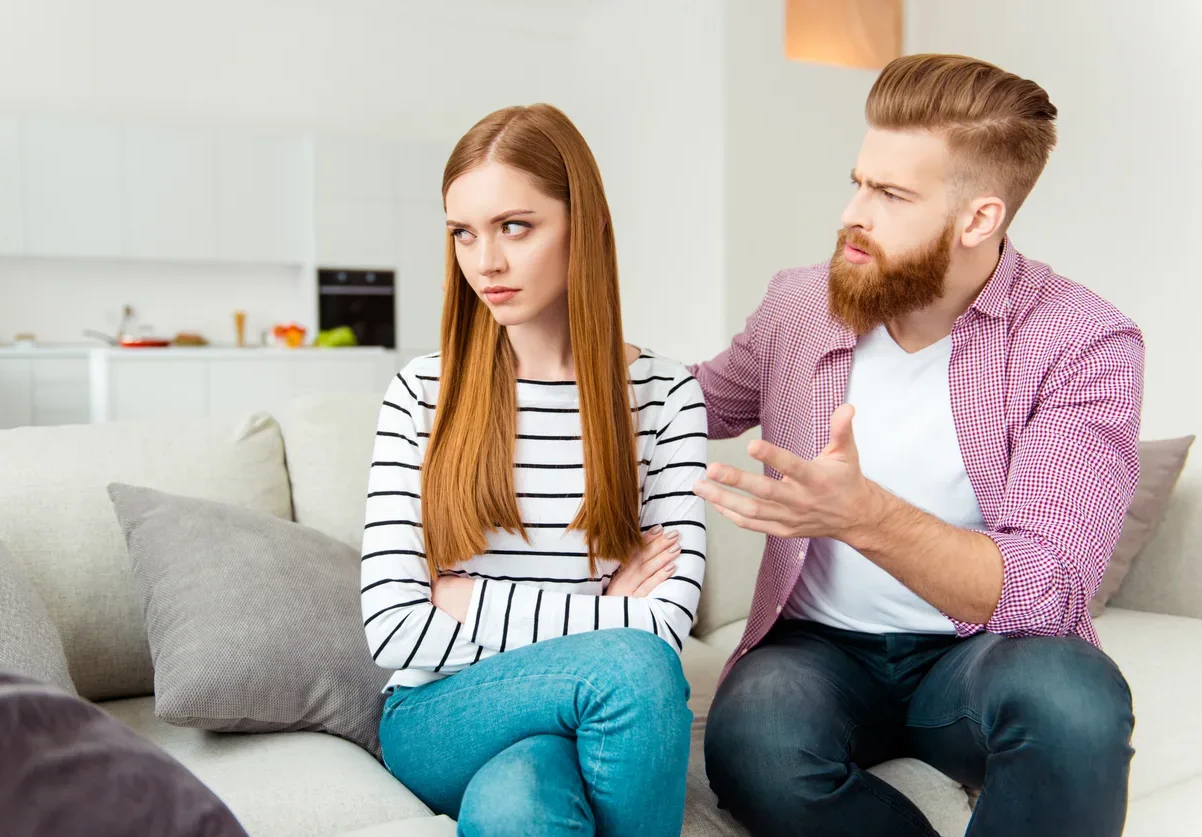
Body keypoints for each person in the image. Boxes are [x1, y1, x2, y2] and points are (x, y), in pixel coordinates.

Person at [691, 54, 1143, 837]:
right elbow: (696, 398)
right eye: (859, 182)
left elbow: (1045, 589)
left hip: (977, 654)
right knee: (755, 741)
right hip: (817, 649)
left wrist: (862, 516)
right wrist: (575, 352)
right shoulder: (801, 302)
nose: (852, 213)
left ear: (978, 220)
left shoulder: (1083, 340)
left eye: (891, 195)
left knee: (1076, 702)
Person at [360, 103, 708, 837]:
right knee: (632, 669)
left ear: (586, 225)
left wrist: (467, 598)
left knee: (519, 803)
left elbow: (667, 623)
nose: (485, 261)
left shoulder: (665, 394)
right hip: (438, 712)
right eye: (463, 232)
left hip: (584, 710)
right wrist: (604, 617)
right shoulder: (422, 392)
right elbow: (393, 628)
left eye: (514, 226)